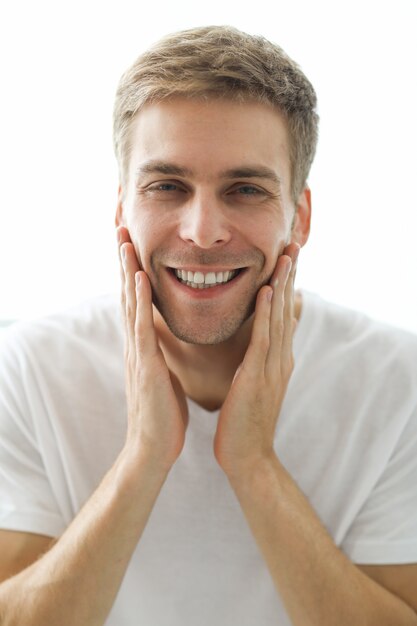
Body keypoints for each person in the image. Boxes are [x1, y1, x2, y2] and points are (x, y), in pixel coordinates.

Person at [0, 25, 416, 626]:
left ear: (299, 217)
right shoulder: (27, 370)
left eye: (245, 189)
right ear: (122, 208)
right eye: (167, 185)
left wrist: (253, 464)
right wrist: (144, 456)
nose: (201, 230)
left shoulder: (397, 383)